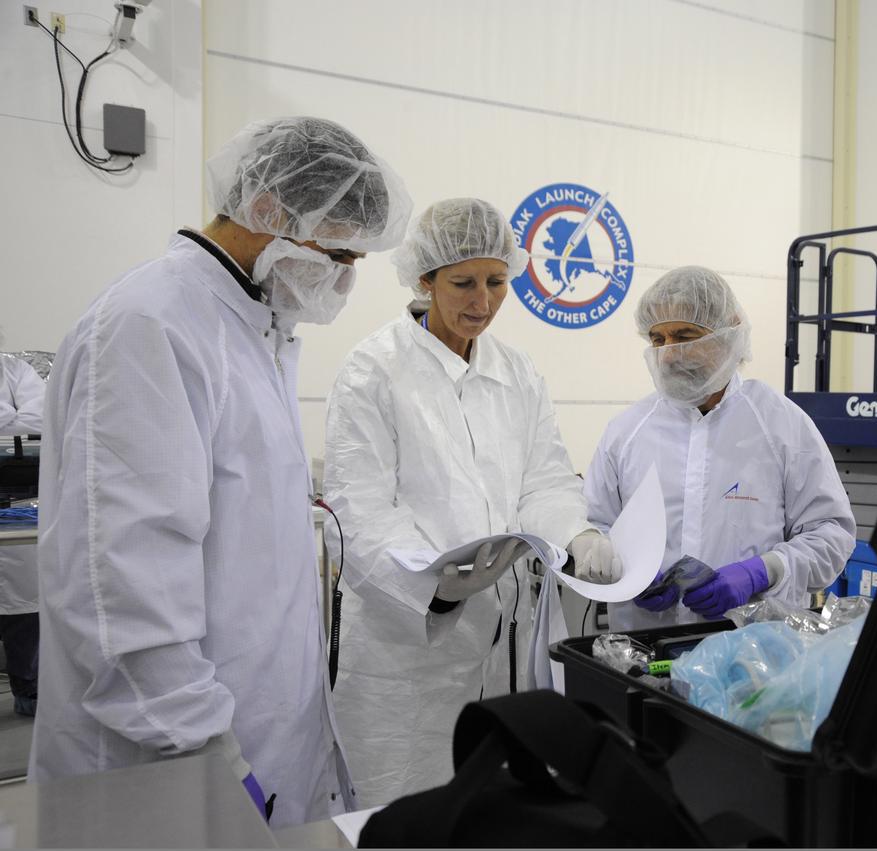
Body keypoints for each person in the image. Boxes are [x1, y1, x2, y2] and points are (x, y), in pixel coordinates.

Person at [29, 116, 412, 827]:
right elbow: (123, 587)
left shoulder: (252, 327)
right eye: (339, 253)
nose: (346, 277)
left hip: (251, 743)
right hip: (165, 762)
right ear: (268, 211)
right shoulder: (151, 324)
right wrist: (208, 755)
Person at [324, 197, 620, 805]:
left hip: (508, 639)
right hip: (405, 645)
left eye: (497, 282)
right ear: (425, 279)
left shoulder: (517, 373)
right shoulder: (374, 370)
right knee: (406, 809)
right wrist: (432, 585)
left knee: (500, 808)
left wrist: (576, 533)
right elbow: (358, 507)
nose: (481, 302)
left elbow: (543, 480)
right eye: (462, 283)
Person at [585, 265, 856, 631]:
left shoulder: (781, 426)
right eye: (657, 339)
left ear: (729, 333)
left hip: (753, 653)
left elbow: (832, 534)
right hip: (643, 645)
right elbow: (593, 528)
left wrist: (763, 571)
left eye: (684, 335)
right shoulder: (627, 432)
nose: (667, 355)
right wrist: (625, 570)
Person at [0, 348, 44, 717]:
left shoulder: (14, 370)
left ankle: (27, 689)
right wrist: (10, 419)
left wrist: (11, 424)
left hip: (17, 503)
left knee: (24, 606)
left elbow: (39, 422)